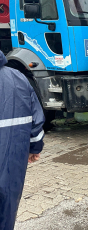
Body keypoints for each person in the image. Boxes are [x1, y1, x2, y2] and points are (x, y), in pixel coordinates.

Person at [0, 50, 45, 230]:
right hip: (11, 163)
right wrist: (34, 147)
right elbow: (35, 120)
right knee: (6, 212)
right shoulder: (17, 78)